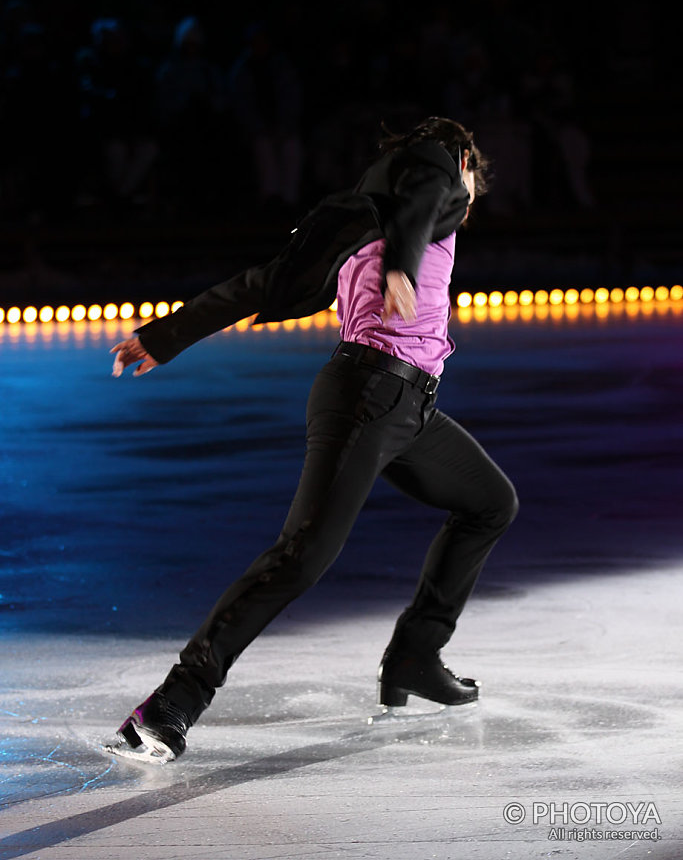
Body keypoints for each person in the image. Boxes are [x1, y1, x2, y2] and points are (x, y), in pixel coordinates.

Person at [108, 116, 519, 764]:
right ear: (459, 161)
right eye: (465, 184)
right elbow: (423, 202)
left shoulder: (354, 226)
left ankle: (415, 652)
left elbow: (256, 283)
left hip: (407, 407)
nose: (463, 201)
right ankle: (169, 705)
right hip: (368, 396)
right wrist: (404, 267)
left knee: (490, 502)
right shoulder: (439, 172)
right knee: (300, 558)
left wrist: (165, 334)